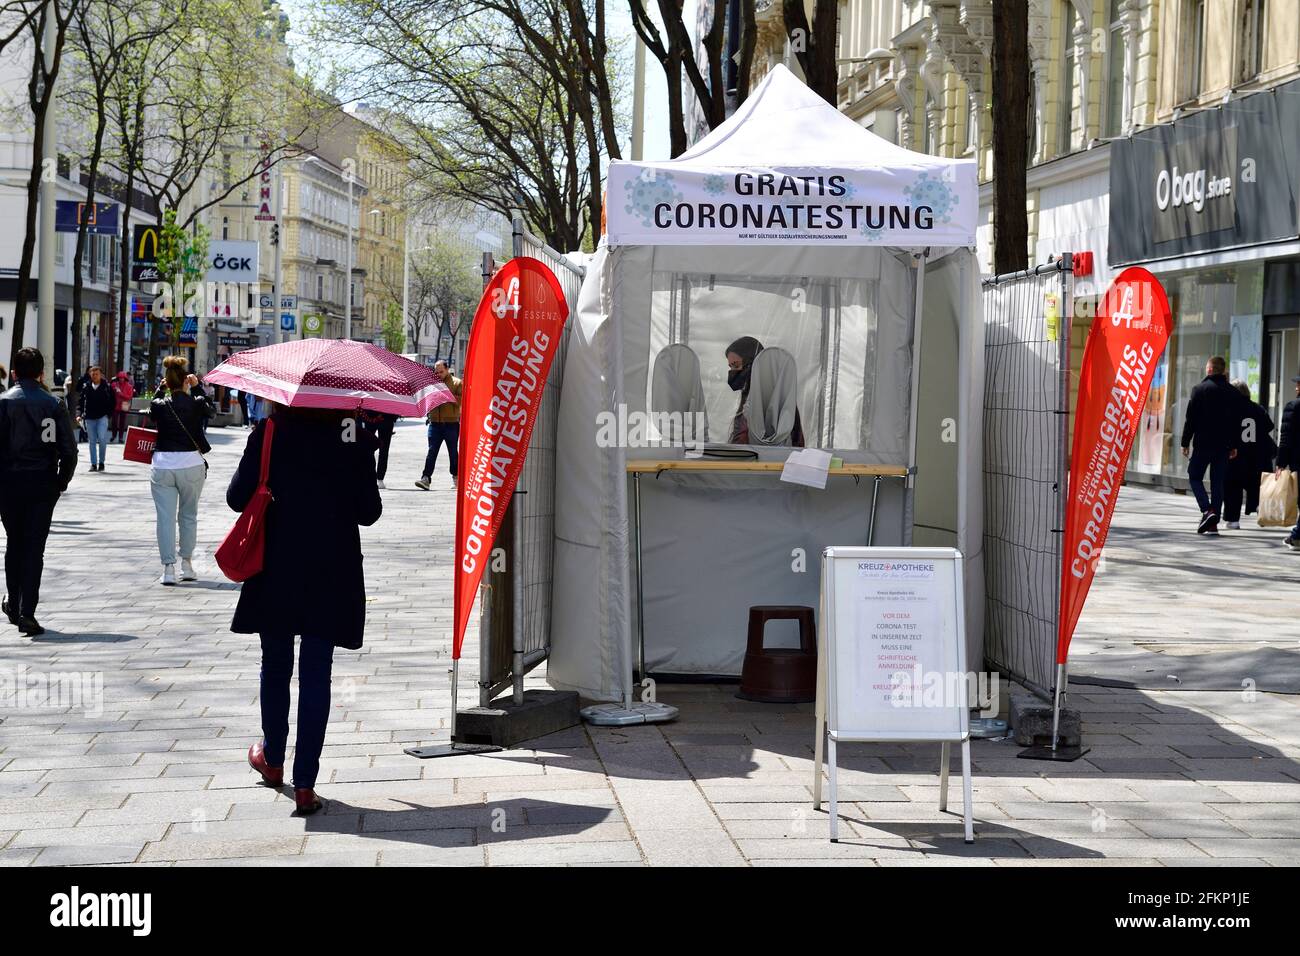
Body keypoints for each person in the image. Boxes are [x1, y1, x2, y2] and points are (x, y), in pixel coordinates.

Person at [230, 405, 382, 814]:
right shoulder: (353, 435)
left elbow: (235, 498)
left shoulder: (270, 430)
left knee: (275, 664)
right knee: (317, 672)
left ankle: (273, 759)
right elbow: (369, 512)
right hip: (332, 570)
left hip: (276, 567)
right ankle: (306, 784)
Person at [0, 348, 77, 635]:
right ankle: (27, 612)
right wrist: (61, 482)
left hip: (9, 483)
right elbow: (69, 451)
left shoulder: (3, 403)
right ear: (42, 373)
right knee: (34, 548)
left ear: (14, 373)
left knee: (14, 542)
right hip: (42, 483)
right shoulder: (54, 404)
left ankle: (14, 603)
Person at [149, 356, 212, 585]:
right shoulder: (195, 403)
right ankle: (187, 564)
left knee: (164, 518)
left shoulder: (160, 405)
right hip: (191, 465)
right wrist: (197, 387)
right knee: (188, 515)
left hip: (163, 464)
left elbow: (151, 409)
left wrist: (159, 389)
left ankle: (168, 569)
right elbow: (210, 410)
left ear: (167, 380)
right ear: (186, 380)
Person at [1179, 356, 1245, 536]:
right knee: (1218, 482)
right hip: (1223, 446)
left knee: (1194, 477)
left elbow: (1190, 419)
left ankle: (1208, 511)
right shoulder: (1233, 392)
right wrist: (1234, 445)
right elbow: (1236, 422)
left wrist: (1185, 442)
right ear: (1223, 371)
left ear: (1209, 370)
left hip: (1203, 444)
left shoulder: (1199, 389)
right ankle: (1212, 524)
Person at [723, 336, 805, 446]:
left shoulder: (784, 404)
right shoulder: (749, 398)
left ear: (753, 364)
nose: (732, 372)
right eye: (730, 367)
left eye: (736, 365)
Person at [1223, 381, 1276, 529]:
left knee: (1233, 487)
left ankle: (1233, 520)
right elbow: (1269, 426)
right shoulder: (1257, 408)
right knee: (1255, 485)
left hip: (1236, 455)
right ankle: (1259, 508)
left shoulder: (1230, 409)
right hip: (1257, 455)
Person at [415, 360, 461, 491]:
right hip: (434, 423)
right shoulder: (431, 384)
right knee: (431, 451)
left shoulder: (457, 383)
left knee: (453, 452)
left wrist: (446, 394)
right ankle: (426, 478)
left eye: (441, 372)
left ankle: (456, 477)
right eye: (436, 372)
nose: (439, 374)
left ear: (447, 370)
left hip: (451, 423)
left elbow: (461, 401)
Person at [1277, 374, 1300, 550]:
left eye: (1298, 384)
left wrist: (1281, 463)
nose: (1296, 387)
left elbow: (1286, 437)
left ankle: (1296, 536)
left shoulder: (1293, 407)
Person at [76, 366, 114, 472]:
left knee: (102, 438)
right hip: (89, 418)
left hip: (102, 417)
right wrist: (78, 415)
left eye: (96, 374)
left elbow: (113, 402)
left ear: (101, 375)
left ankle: (101, 462)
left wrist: (108, 414)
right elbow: (80, 403)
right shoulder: (86, 387)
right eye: (92, 374)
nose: (94, 376)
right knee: (92, 441)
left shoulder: (107, 387)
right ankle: (93, 464)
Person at [359, 409, 397, 488]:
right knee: (379, 450)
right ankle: (378, 478)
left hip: (375, 416)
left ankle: (377, 477)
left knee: (373, 449)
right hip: (383, 416)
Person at [110, 370, 134, 443]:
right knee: (114, 421)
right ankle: (114, 435)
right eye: (120, 378)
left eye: (122, 378)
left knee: (122, 422)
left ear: (125, 378)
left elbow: (129, 397)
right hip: (116, 405)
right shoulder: (115, 385)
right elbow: (111, 387)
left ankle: (120, 437)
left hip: (124, 405)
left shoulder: (129, 386)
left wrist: (120, 393)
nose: (121, 379)